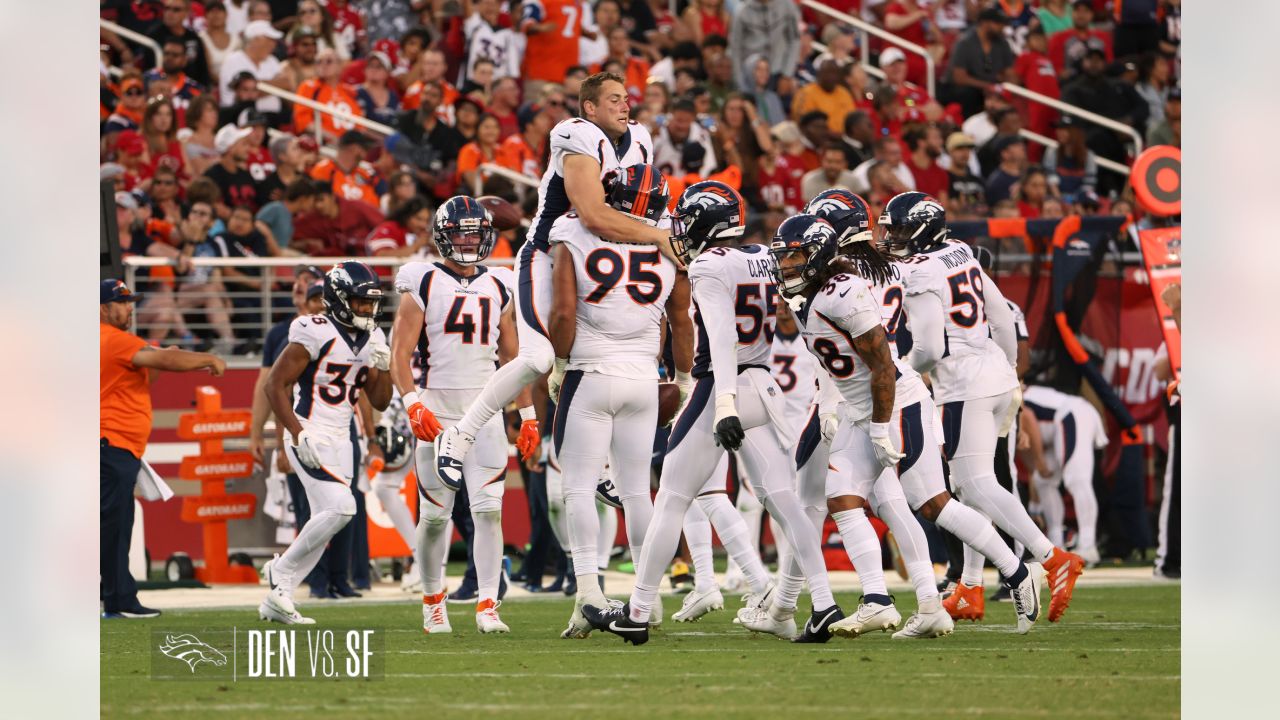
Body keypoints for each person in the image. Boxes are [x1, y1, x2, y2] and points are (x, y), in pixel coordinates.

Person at [584, 183, 836, 645]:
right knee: (784, 501)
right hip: (766, 382)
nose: (680, 229)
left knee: (672, 498)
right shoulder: (763, 254)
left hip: (724, 387)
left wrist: (723, 403)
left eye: (687, 219)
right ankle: (822, 603)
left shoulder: (708, 263)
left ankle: (637, 612)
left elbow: (721, 338)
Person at [432, 72, 673, 488]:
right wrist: (661, 237)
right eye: (613, 99)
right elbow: (595, 214)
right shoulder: (574, 134)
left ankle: (599, 469)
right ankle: (459, 435)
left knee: (597, 367)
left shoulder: (640, 139)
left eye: (626, 98)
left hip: (597, 259)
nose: (624, 105)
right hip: (548, 256)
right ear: (589, 108)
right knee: (538, 359)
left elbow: (636, 206)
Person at [877, 192, 1085, 625]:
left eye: (898, 228)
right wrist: (1009, 371)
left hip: (963, 382)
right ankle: (970, 585)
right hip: (996, 372)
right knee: (969, 486)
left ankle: (1050, 558)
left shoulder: (919, 270)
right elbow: (1002, 316)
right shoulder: (959, 251)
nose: (891, 236)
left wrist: (904, 372)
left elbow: (931, 347)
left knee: (975, 483)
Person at [546, 166, 689, 640]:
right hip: (644, 379)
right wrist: (683, 376)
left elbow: (564, 310)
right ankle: (648, 602)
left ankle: (588, 592)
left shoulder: (573, 232)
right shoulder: (668, 243)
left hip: (590, 372)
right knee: (635, 493)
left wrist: (561, 364)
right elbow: (681, 319)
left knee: (580, 489)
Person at [389, 197, 538, 634]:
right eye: (461, 233)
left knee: (489, 511)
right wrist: (412, 403)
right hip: (437, 411)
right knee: (435, 515)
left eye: (475, 233)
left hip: (486, 412)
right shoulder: (422, 279)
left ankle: (487, 604)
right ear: (442, 236)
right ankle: (433, 600)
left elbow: (515, 357)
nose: (469, 241)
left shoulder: (501, 284)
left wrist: (526, 412)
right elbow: (399, 353)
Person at [259, 263, 392, 624]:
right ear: (338, 300)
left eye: (370, 303)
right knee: (342, 509)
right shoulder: (314, 329)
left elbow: (379, 400)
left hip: (342, 436)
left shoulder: (375, 338)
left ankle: (279, 597)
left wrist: (385, 367)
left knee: (326, 519)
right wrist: (295, 433)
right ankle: (281, 571)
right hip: (309, 429)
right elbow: (275, 385)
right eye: (360, 302)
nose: (367, 309)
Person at [101, 279, 225, 619]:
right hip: (112, 444)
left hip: (117, 445)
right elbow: (167, 362)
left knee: (117, 524)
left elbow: (149, 372)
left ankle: (118, 598)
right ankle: (117, 601)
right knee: (113, 526)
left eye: (131, 301)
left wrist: (158, 356)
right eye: (122, 302)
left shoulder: (115, 342)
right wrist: (206, 358)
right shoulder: (111, 338)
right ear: (103, 309)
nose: (130, 308)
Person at [1022, 385, 1108, 566]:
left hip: (1072, 415)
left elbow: (1027, 416)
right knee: (1042, 481)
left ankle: (1088, 545)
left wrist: (1038, 460)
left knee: (1078, 480)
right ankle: (1056, 545)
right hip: (1059, 425)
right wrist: (1035, 506)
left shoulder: (1009, 393)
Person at [942, 7, 1017, 118]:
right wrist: (987, 86)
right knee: (968, 94)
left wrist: (1006, 87)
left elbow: (1010, 72)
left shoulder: (1002, 43)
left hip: (990, 88)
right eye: (998, 23)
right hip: (962, 88)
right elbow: (959, 78)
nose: (1002, 27)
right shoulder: (965, 42)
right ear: (984, 23)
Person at [294, 48, 363, 144]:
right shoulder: (309, 87)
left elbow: (360, 125)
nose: (323, 65)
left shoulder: (350, 91)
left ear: (339, 66)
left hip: (351, 144)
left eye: (329, 61)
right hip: (324, 142)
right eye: (319, 62)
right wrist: (332, 137)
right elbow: (303, 122)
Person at [728, 0, 801, 91]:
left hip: (778, 71)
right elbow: (735, 48)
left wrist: (787, 74)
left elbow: (794, 39)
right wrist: (739, 81)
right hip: (751, 73)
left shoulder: (787, 5)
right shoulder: (742, 11)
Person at [292, 185, 385, 255]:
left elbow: (384, 226)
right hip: (340, 266)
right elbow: (291, 233)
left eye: (321, 200)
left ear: (332, 196)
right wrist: (305, 244)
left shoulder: (356, 207)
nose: (318, 205)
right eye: (315, 202)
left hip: (371, 258)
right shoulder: (315, 218)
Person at [218, 20, 284, 114]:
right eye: (270, 40)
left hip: (272, 117)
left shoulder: (272, 60)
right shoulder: (233, 60)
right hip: (240, 116)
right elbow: (244, 96)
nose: (274, 44)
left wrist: (256, 86)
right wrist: (274, 86)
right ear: (256, 40)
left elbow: (287, 83)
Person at [520, 0, 583, 98]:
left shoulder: (576, 3)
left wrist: (585, 32)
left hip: (568, 76)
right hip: (540, 73)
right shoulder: (539, 1)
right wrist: (540, 28)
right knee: (536, 110)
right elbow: (526, 25)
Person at [309, 130, 382, 207]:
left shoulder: (365, 175)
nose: (366, 154)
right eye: (365, 149)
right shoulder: (324, 169)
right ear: (355, 148)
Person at [149, 0, 212, 87]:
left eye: (176, 10)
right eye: (167, 8)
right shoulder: (154, 36)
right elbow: (149, 69)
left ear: (187, 13)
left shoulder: (194, 38)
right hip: (161, 87)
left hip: (191, 91)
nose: (169, 13)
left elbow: (202, 70)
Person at [1048, 1, 1113, 81]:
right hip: (1072, 83)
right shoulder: (1059, 38)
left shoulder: (1103, 37)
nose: (1081, 15)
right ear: (1072, 14)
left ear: (1092, 15)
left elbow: (1109, 64)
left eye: (1086, 11)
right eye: (1077, 11)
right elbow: (1056, 69)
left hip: (1100, 82)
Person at [204, 124, 262, 213]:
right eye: (244, 144)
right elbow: (215, 207)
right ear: (230, 148)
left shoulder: (245, 174)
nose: (248, 148)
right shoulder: (212, 176)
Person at [790, 60, 856, 136]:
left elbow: (852, 121)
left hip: (844, 140)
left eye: (835, 73)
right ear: (819, 74)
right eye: (828, 73)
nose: (832, 77)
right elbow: (803, 124)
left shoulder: (844, 93)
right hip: (817, 139)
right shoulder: (807, 92)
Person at [653, 99, 717, 178]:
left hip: (689, 187)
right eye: (679, 120)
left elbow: (708, 170)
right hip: (659, 187)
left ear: (693, 119)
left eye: (686, 121)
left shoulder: (700, 135)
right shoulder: (659, 132)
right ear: (671, 116)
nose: (682, 126)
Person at [365, 195, 433, 258]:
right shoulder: (390, 228)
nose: (423, 225)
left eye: (426, 220)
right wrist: (416, 246)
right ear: (407, 216)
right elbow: (381, 255)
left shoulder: (422, 233)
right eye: (419, 219)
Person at [852, 136, 916, 195]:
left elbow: (913, 193)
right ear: (879, 154)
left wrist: (898, 184)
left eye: (899, 153)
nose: (899, 157)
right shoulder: (862, 171)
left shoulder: (902, 166)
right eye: (893, 153)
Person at [457, 114, 504, 192]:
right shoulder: (469, 150)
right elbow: (472, 183)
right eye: (486, 127)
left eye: (495, 127)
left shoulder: (503, 151)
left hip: (501, 196)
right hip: (475, 197)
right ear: (477, 129)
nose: (491, 131)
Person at [944, 132, 986, 218]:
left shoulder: (977, 180)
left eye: (968, 149)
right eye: (960, 149)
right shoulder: (944, 178)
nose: (965, 153)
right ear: (949, 151)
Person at [199, 1, 242, 84]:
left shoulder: (236, 40)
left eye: (219, 11)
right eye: (212, 11)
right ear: (205, 16)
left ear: (226, 15)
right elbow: (206, 70)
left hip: (235, 85)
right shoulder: (200, 38)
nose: (216, 15)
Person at [355, 51, 401, 127]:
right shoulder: (356, 92)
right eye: (370, 66)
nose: (373, 69)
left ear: (387, 72)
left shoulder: (393, 96)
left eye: (379, 67)